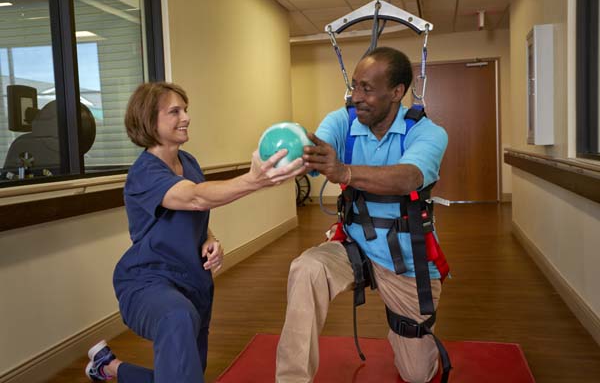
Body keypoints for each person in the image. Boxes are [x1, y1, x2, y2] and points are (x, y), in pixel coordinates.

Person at [84, 82, 305, 383]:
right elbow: (195, 197)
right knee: (177, 321)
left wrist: (210, 239)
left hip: (194, 283)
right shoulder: (145, 173)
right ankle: (108, 366)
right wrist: (255, 180)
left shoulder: (188, 162)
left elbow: (194, 210)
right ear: (149, 120)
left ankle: (108, 366)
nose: (186, 117)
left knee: (186, 375)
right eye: (174, 111)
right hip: (148, 282)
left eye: (185, 110)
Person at [276, 47, 449, 383]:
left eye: (367, 89)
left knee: (417, 374)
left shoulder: (427, 132)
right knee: (306, 268)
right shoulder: (342, 121)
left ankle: (403, 332)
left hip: (407, 256)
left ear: (397, 92)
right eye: (355, 86)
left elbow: (408, 176)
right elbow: (319, 152)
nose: (356, 97)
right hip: (354, 245)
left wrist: (344, 172)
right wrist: (298, 153)